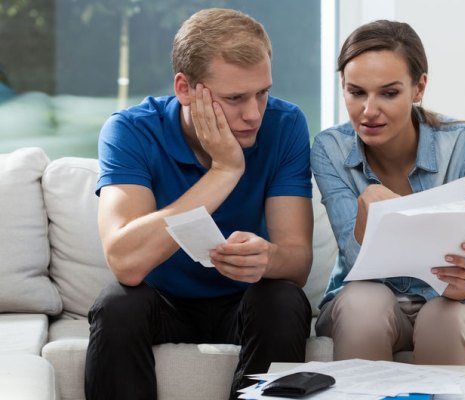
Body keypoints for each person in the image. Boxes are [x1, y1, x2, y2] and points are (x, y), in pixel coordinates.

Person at [85, 8, 313, 400]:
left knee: (284, 298)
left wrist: (268, 258)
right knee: (117, 305)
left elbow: (298, 261)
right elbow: (126, 262)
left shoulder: (286, 124)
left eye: (263, 92)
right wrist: (224, 171)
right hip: (163, 302)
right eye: (235, 98)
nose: (254, 114)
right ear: (185, 88)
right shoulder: (130, 130)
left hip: (244, 299)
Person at [311, 20, 465, 365]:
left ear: (418, 87)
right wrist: (367, 214)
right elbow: (356, 266)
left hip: (455, 306)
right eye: (356, 92)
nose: (369, 110)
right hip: (370, 301)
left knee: (443, 317)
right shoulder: (330, 149)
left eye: (389, 93)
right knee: (363, 304)